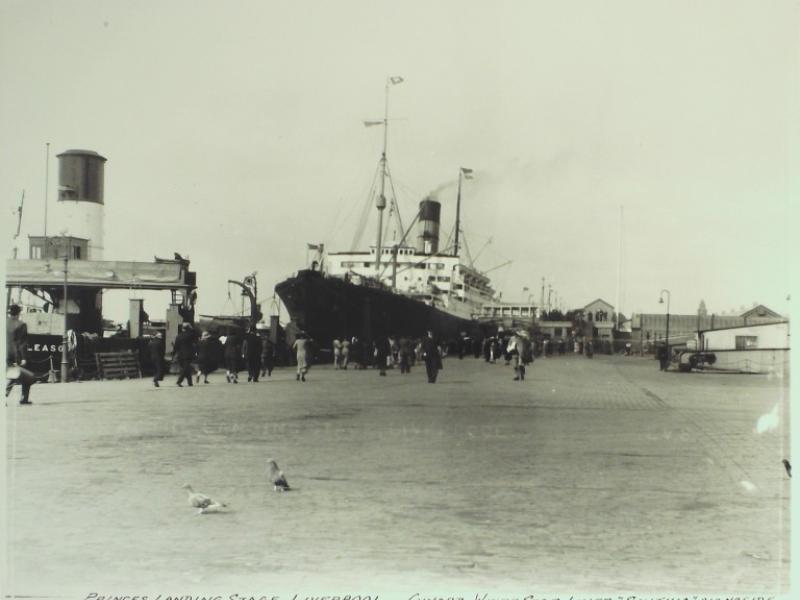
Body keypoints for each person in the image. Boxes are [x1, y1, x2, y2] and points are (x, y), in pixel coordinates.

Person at [6, 304, 35, 404]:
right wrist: (24, 358)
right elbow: (22, 343)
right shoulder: (21, 325)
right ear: (18, 313)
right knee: (25, 374)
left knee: (12, 374)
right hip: (16, 355)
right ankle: (24, 398)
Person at [174, 322, 197, 387]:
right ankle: (179, 381)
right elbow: (196, 333)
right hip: (188, 354)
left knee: (186, 368)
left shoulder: (178, 336)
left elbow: (176, 346)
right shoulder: (190, 334)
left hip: (180, 354)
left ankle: (190, 382)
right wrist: (191, 327)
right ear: (189, 328)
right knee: (186, 368)